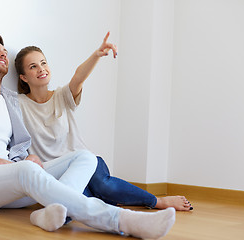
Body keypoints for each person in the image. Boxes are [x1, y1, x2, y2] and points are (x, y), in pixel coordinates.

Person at [0, 31, 176, 239]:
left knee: (85, 158)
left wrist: (28, 157)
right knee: (26, 170)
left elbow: (20, 148)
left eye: (4, 49)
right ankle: (124, 220)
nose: (3, 53)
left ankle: (53, 213)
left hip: (10, 183)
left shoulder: (12, 100)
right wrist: (10, 164)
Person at [16, 32, 193, 211]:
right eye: (33, 66)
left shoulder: (62, 96)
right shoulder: (19, 105)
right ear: (23, 77)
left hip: (85, 164)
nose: (41, 69)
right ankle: (113, 201)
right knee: (75, 203)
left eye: (43, 63)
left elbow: (78, 77)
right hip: (58, 174)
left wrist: (97, 54)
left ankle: (157, 201)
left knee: (104, 186)